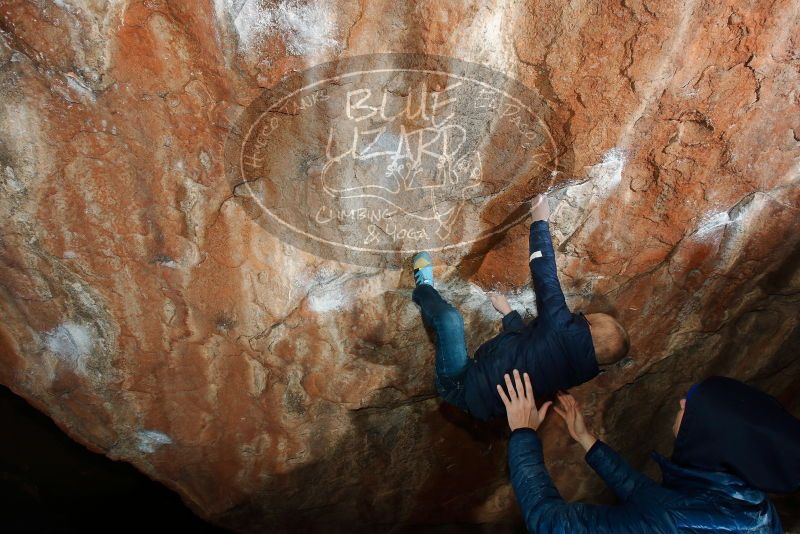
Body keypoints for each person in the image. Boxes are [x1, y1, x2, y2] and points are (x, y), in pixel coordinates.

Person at [410, 193, 629, 420]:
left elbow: (545, 275)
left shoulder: (562, 328)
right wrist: (509, 314)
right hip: (486, 403)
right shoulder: (580, 370)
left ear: (590, 326)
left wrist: (540, 222)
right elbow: (534, 348)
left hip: (459, 384)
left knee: (449, 319)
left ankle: (423, 288)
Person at [497, 370, 800, 532]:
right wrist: (587, 439)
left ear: (707, 436)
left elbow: (550, 522)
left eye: (693, 405)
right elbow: (651, 498)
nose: (682, 402)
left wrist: (523, 433)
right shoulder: (753, 505)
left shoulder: (668, 519)